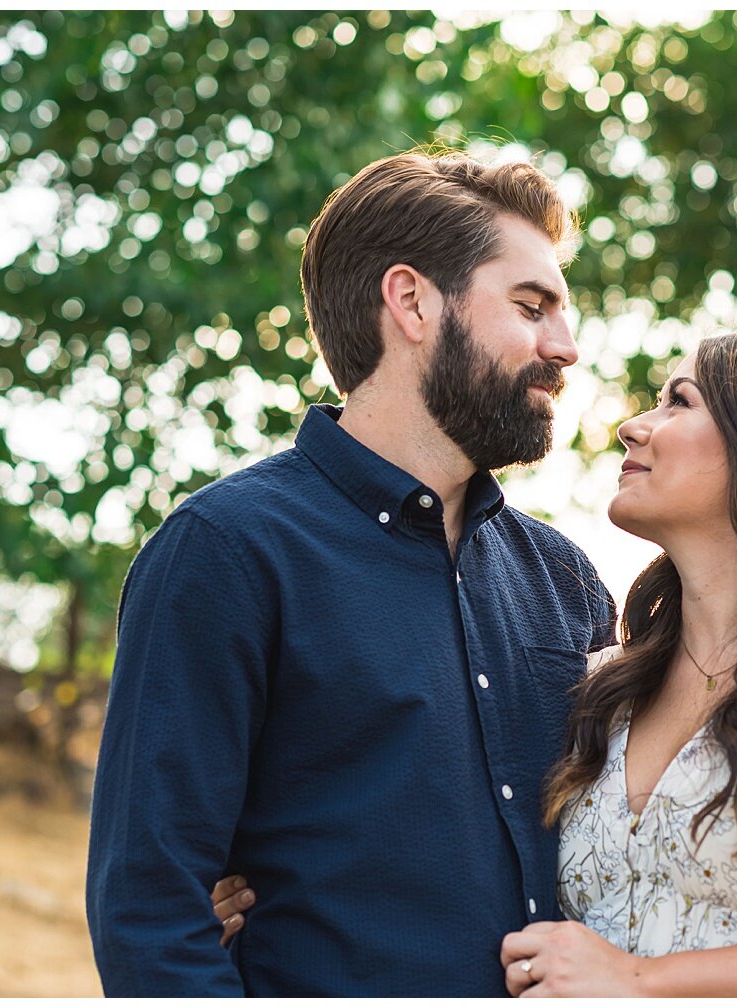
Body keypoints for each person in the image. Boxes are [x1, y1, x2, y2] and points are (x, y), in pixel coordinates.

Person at [216, 333, 737, 996]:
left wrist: (640, 978)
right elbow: (458, 825)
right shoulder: (608, 681)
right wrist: (264, 892)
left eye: (679, 401)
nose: (634, 425)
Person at [84, 150, 615, 996]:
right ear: (411, 300)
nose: (566, 346)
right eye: (531, 307)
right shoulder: (224, 552)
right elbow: (152, 914)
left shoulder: (568, 582)